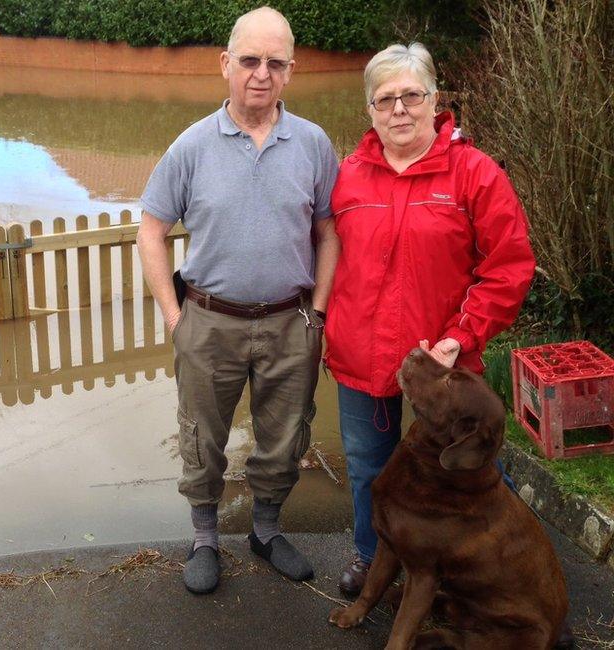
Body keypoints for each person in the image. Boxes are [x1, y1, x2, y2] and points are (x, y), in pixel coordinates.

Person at [137, 6, 340, 594]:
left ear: (291, 71)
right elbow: (151, 230)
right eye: (249, 60)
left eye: (275, 63)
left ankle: (267, 530)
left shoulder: (313, 144)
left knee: (285, 436)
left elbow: (329, 231)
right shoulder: (192, 145)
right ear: (226, 64)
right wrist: (176, 320)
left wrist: (318, 313)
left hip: (289, 323)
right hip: (209, 322)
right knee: (202, 436)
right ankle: (204, 538)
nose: (261, 73)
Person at [323, 42, 536, 597]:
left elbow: (509, 268)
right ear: (369, 109)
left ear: (435, 99)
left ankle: (516, 575)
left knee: (470, 473)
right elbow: (322, 253)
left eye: (411, 95)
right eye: (385, 98)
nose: (399, 109)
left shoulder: (475, 174)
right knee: (370, 469)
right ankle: (373, 560)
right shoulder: (348, 176)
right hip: (362, 362)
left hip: (442, 369)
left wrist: (459, 338)